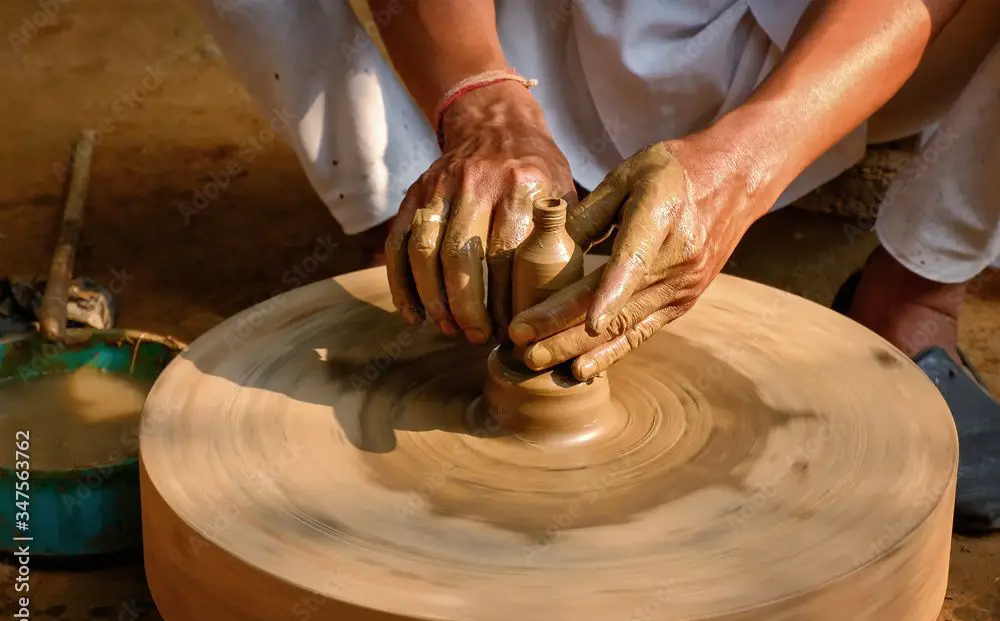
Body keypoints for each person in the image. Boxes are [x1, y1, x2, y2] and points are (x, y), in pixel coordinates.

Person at [196, 0, 999, 531]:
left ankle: (916, 291)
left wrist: (746, 167)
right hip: (537, 32)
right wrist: (483, 104)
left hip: (839, 50)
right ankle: (410, 217)